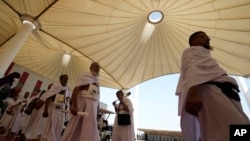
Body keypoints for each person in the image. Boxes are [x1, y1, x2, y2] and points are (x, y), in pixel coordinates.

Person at [176, 31, 250, 141]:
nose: (208, 39)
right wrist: (192, 93)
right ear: (193, 41)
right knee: (236, 124)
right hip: (211, 91)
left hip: (225, 93)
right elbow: (191, 71)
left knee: (234, 125)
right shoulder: (191, 52)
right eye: (203, 36)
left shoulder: (203, 54)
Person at [61, 62, 101, 141]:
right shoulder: (85, 75)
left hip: (92, 107)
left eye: (99, 68)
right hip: (82, 103)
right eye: (95, 67)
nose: (97, 69)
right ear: (90, 67)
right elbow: (76, 89)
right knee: (75, 125)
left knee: (89, 126)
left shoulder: (97, 81)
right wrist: (74, 106)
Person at [38, 74, 71, 141]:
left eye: (67, 79)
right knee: (50, 126)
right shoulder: (55, 86)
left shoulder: (67, 88)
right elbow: (48, 98)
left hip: (60, 111)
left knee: (58, 127)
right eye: (64, 78)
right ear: (60, 79)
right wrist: (45, 110)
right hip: (52, 109)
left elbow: (66, 99)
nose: (66, 80)